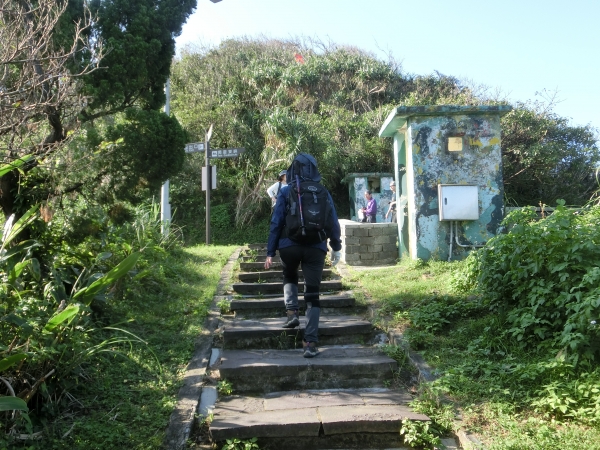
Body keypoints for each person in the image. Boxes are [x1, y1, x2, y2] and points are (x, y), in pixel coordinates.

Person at [264, 153, 342, 358]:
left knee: (289, 274)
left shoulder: (286, 190)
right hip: (316, 247)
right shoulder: (323, 191)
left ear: (292, 171)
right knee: (313, 295)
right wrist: (336, 246)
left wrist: (271, 251)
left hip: (289, 246)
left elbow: (276, 222)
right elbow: (333, 222)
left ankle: (292, 312)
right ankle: (310, 343)